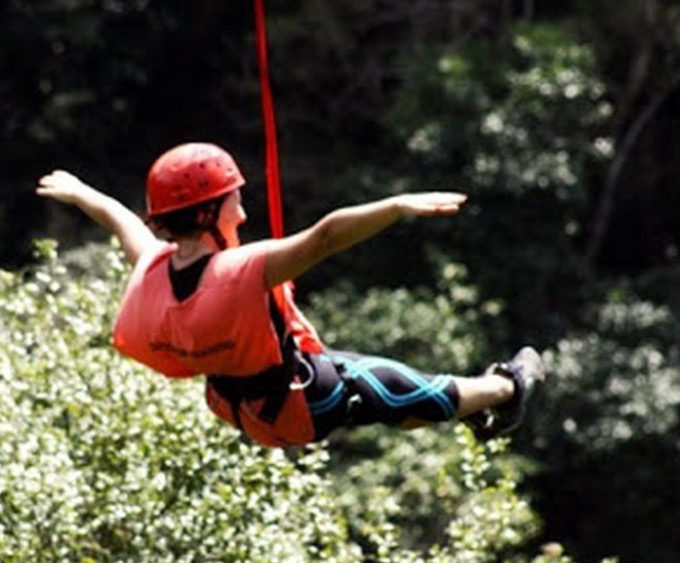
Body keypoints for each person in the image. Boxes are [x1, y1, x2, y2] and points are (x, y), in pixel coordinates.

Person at [36, 142, 544, 449]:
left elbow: (122, 222)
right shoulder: (241, 272)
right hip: (300, 402)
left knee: (384, 405)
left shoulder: (153, 270)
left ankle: (473, 411)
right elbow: (324, 237)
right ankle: (506, 389)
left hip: (243, 410)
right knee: (388, 384)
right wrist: (396, 206)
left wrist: (83, 192)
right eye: (234, 199)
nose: (244, 209)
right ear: (210, 211)